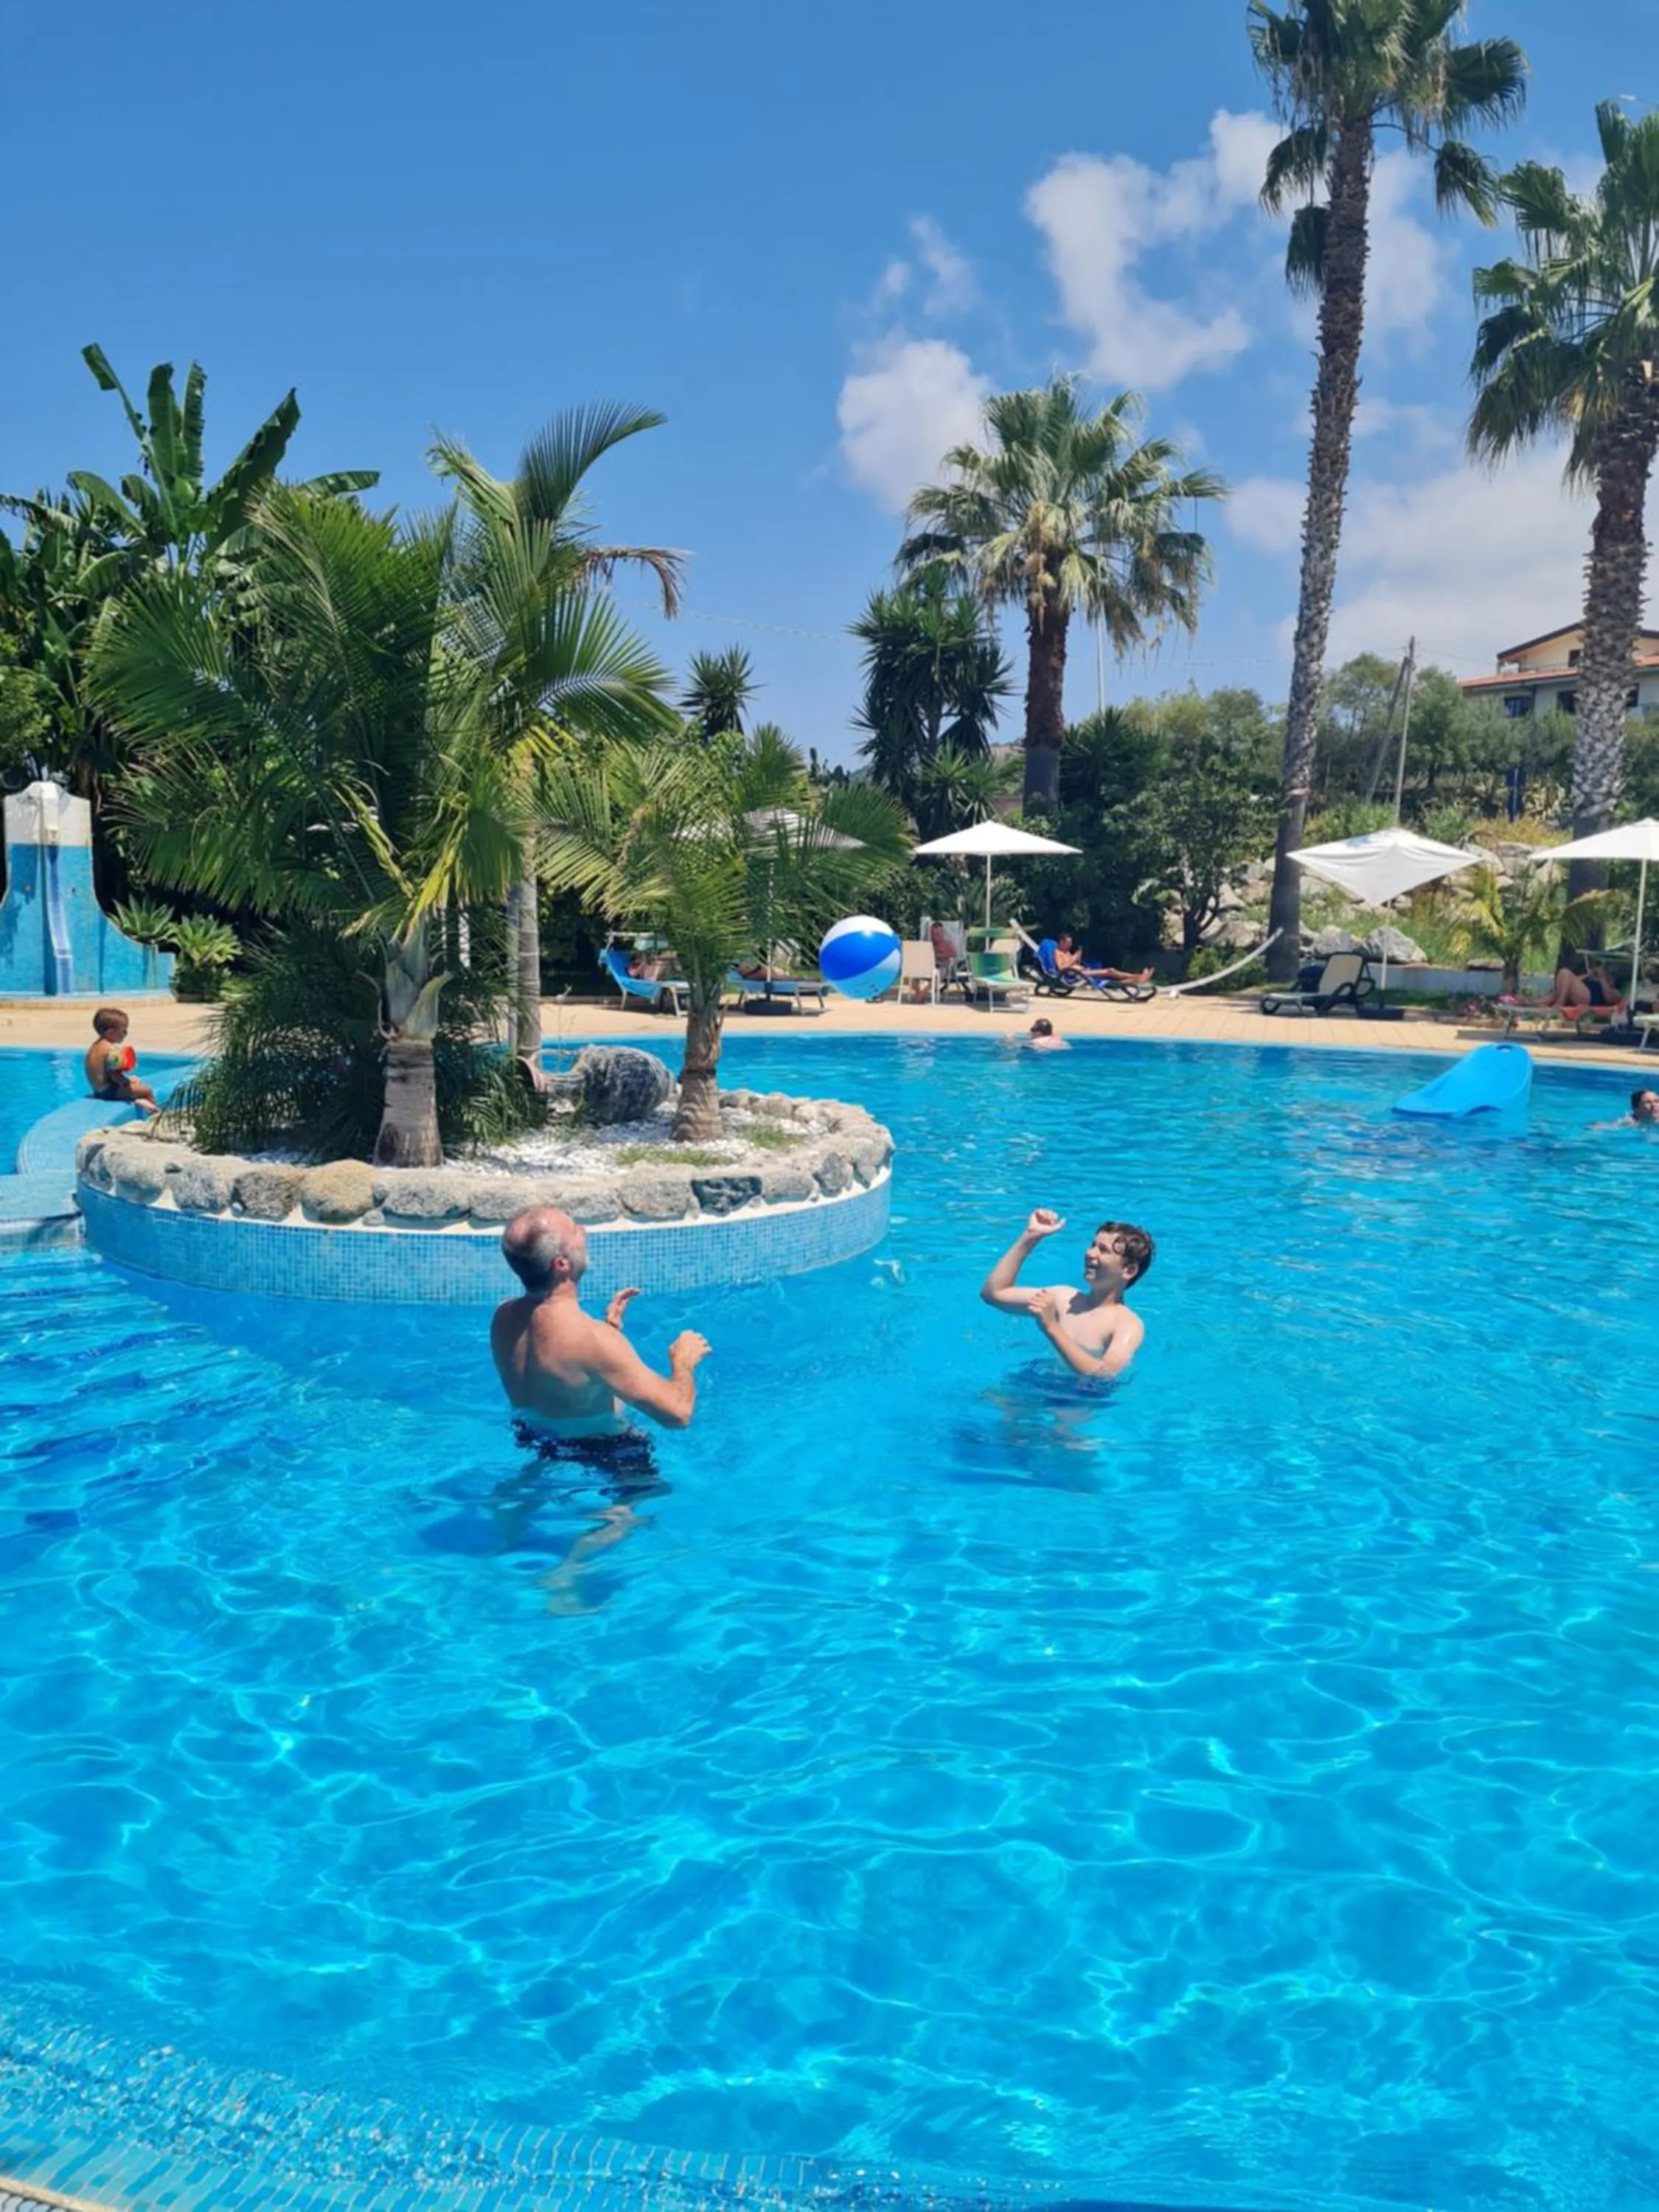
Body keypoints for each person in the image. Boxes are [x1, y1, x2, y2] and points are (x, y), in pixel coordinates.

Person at [491, 1206, 709, 1437]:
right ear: (562, 1265)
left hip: (532, 1438)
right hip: (607, 1452)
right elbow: (678, 1415)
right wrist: (683, 1363)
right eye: (574, 1231)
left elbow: (559, 1378)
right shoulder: (594, 1340)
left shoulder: (503, 1317)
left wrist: (610, 1332)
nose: (583, 1232)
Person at [979, 1207, 1150, 1379]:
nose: (1090, 1253)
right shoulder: (1064, 1299)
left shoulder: (1127, 1325)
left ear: (1129, 1270)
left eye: (1103, 1250)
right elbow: (994, 1294)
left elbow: (1105, 1375)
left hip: (1083, 1397)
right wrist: (1030, 1237)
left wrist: (1051, 1327)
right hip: (1043, 1381)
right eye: (1093, 1245)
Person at [83, 1006, 160, 1118]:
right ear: (110, 1033)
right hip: (108, 1092)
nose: (126, 1033)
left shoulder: (95, 1047)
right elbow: (115, 1077)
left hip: (97, 1090)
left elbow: (106, 1074)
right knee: (146, 1090)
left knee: (134, 1083)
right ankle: (156, 1115)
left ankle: (139, 1101)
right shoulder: (112, 1051)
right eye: (124, 1030)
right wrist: (127, 1082)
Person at [1052, 933, 1152, 987]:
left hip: (1083, 972)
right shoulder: (1058, 953)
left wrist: (1077, 959)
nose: (1070, 945)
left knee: (1111, 979)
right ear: (1061, 942)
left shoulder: (1067, 953)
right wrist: (1074, 958)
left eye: (1070, 942)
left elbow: (1074, 964)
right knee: (1111, 971)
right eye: (1068, 942)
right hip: (1077, 975)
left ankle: (1139, 979)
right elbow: (1062, 968)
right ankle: (1139, 977)